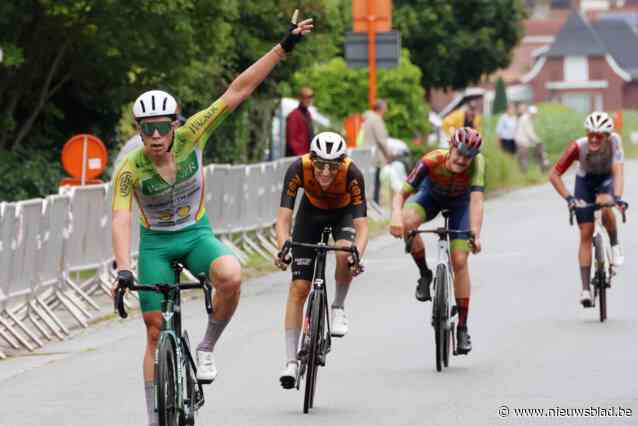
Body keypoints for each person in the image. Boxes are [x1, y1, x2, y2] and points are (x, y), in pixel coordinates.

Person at [111, 11, 313, 426]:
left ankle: (205, 347)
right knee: (153, 331)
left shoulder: (193, 135)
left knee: (232, 276)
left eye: (161, 128)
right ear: (138, 128)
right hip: (156, 244)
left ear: (175, 124)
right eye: (146, 129)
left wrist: (282, 48)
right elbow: (119, 218)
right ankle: (154, 418)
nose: (154, 137)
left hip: (195, 234)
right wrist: (124, 268)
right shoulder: (129, 165)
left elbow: (237, 89)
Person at [274, 131, 368, 389]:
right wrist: (283, 247)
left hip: (343, 215)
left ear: (342, 163)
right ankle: (291, 363)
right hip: (310, 214)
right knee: (299, 288)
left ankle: (337, 306)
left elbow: (362, 226)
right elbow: (283, 218)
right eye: (320, 165)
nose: (325, 172)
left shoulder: (352, 173)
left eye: (332, 166)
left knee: (344, 252)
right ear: (311, 159)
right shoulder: (298, 168)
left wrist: (357, 254)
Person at [389, 127, 485, 355]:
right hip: (430, 197)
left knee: (460, 260)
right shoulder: (431, 160)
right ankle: (424, 273)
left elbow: (477, 200)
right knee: (408, 221)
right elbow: (401, 194)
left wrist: (475, 233)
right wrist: (395, 216)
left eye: (467, 157)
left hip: (461, 205)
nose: (462, 160)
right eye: (459, 153)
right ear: (450, 147)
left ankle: (462, 328)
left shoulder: (478, 163)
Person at [548, 111, 628, 307]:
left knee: (604, 201)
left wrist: (617, 198)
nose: (593, 138)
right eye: (590, 133)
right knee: (586, 232)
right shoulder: (578, 146)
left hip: (606, 179)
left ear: (607, 137)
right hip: (585, 182)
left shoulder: (615, 142)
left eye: (598, 135)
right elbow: (554, 175)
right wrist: (570, 198)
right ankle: (585, 290)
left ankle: (615, 244)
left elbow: (618, 172)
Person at [361, 99, 393, 204]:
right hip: (376, 156)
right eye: (385, 107)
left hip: (368, 154)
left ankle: (372, 204)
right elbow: (381, 140)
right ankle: (375, 205)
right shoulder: (376, 120)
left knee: (371, 183)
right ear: (381, 108)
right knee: (376, 184)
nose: (386, 110)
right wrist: (388, 155)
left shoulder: (368, 119)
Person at [515, 104, 549, 173]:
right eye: (534, 114)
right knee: (524, 158)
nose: (535, 116)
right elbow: (530, 133)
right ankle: (525, 173)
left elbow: (531, 133)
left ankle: (541, 166)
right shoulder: (525, 119)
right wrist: (538, 140)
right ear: (531, 113)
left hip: (525, 141)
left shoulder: (528, 119)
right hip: (521, 141)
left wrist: (536, 140)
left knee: (526, 156)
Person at [285, 87, 315, 156]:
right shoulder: (294, 115)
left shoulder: (308, 114)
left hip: (307, 156)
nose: (309, 100)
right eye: (306, 97)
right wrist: (301, 156)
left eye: (311, 97)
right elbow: (291, 141)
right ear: (300, 98)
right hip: (296, 158)